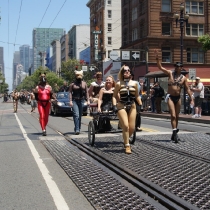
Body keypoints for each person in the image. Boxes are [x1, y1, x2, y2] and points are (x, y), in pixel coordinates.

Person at [154, 49, 194, 143]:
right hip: (170, 97)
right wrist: (157, 58)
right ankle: (175, 132)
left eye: (179, 66)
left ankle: (174, 132)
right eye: (176, 66)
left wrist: (191, 99)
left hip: (178, 97)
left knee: (177, 116)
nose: (177, 68)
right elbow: (160, 67)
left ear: (181, 68)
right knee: (172, 115)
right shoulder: (170, 73)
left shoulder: (184, 78)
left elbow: (187, 89)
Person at [112, 65, 142, 154]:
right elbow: (114, 96)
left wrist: (140, 104)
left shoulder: (135, 84)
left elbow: (137, 96)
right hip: (121, 105)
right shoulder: (118, 84)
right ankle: (127, 145)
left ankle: (126, 138)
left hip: (132, 106)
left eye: (128, 70)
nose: (127, 72)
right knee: (126, 125)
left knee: (132, 128)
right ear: (122, 73)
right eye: (125, 71)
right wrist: (114, 105)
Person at [69, 69, 90, 135]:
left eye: (80, 75)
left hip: (81, 100)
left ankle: (77, 128)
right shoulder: (72, 84)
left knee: (80, 115)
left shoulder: (84, 83)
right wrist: (70, 101)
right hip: (75, 100)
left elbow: (87, 92)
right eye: (77, 75)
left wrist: (88, 100)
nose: (79, 77)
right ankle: (77, 129)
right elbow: (70, 92)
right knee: (76, 115)